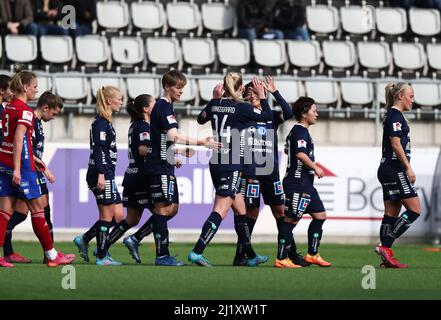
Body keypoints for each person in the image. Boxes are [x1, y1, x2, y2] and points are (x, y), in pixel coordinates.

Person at [123, 70, 220, 267]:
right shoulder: (163, 106)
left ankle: (136, 238)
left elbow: (162, 140)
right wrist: (201, 142)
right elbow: (173, 136)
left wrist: (179, 152)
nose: (181, 91)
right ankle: (162, 255)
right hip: (158, 167)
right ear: (167, 86)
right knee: (162, 209)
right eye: (178, 87)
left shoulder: (165, 107)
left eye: (183, 88)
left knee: (172, 209)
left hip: (164, 165)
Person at [187, 73, 273, 267]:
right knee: (220, 210)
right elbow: (267, 117)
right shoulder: (242, 108)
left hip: (216, 160)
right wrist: (263, 96)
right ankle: (197, 251)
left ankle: (250, 255)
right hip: (231, 163)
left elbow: (201, 119)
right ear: (241, 88)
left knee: (240, 208)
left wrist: (213, 99)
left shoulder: (215, 104)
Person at [104, 95, 193, 263]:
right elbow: (144, 149)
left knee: (133, 218)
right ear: (146, 109)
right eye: (154, 104)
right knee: (165, 211)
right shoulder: (144, 125)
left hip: (134, 174)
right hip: (143, 175)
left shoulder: (136, 125)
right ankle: (156, 249)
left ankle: (104, 247)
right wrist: (171, 154)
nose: (157, 107)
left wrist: (173, 154)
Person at [232, 77, 310, 267]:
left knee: (280, 211)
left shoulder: (270, 115)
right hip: (250, 172)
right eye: (249, 92)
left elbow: (289, 112)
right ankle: (241, 255)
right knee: (251, 213)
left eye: (256, 92)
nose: (253, 95)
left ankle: (289, 254)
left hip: (271, 172)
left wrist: (273, 92)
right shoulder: (243, 114)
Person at [0, 70, 75, 268]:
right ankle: (51, 256)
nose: (36, 90)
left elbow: (14, 141)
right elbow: (18, 140)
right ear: (25, 87)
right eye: (34, 86)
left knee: (5, 211)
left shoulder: (8, 108)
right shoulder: (24, 111)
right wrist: (18, 169)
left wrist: (39, 165)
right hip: (21, 167)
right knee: (38, 210)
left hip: (4, 164)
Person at [277, 96, 331, 268]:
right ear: (304, 113)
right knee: (290, 220)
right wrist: (315, 166)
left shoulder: (299, 132)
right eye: (314, 111)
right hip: (297, 184)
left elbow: (289, 150)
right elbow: (300, 153)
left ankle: (312, 254)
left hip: (306, 185)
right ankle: (281, 258)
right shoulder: (300, 131)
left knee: (320, 216)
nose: (317, 114)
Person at [73, 85, 124, 266]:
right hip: (101, 173)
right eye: (119, 98)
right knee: (106, 215)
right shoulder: (101, 122)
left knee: (118, 215)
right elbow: (98, 149)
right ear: (109, 101)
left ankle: (85, 239)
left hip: (107, 172)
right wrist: (102, 174)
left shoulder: (106, 122)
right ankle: (102, 256)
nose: (121, 102)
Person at [375, 82, 420, 268]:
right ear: (400, 96)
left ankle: (385, 255)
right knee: (415, 210)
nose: (412, 100)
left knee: (391, 213)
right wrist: (408, 167)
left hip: (387, 169)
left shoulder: (394, 115)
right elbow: (395, 144)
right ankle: (385, 247)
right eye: (410, 96)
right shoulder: (395, 116)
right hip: (395, 169)